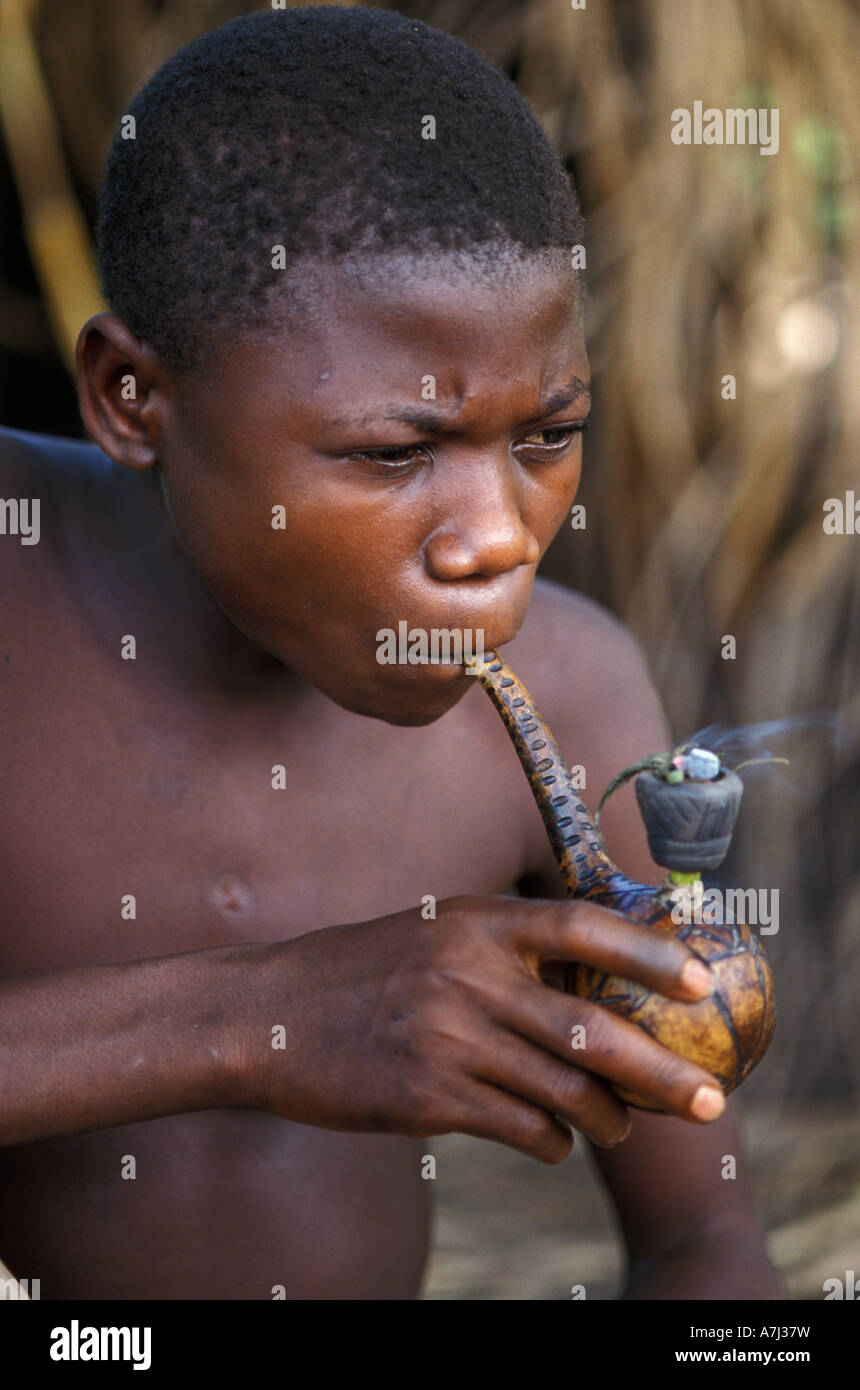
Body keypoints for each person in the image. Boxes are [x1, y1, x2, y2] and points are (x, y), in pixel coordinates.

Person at [0, 6, 781, 1300]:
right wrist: (272, 1017)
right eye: (392, 453)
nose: (496, 541)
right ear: (133, 399)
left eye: (547, 436)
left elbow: (707, 1240)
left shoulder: (577, 695)